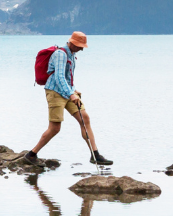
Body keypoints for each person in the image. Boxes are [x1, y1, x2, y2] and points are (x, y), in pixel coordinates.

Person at [25, 31, 112, 166]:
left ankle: (95, 155)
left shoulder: (72, 54)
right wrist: (71, 94)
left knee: (85, 118)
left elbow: (67, 77)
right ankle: (31, 154)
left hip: (67, 92)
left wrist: (73, 90)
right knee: (55, 128)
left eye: (82, 46)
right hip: (54, 92)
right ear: (71, 42)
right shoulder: (60, 54)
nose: (81, 49)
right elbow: (59, 77)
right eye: (79, 46)